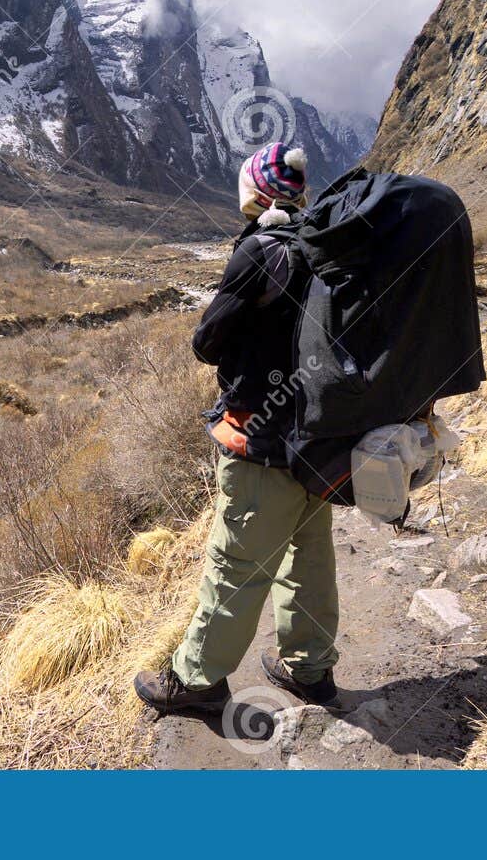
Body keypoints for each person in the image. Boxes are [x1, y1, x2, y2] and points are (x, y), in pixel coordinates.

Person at [133, 142, 340, 715]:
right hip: (320, 433)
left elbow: (208, 342)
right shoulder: (322, 243)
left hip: (262, 433)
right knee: (309, 553)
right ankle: (311, 669)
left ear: (254, 191)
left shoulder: (259, 250)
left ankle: (196, 682)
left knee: (237, 561)